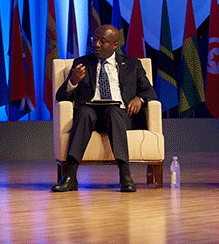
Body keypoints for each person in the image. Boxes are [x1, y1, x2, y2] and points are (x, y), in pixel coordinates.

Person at [51, 24, 157, 193]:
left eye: (103, 41)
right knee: (84, 111)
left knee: (113, 110)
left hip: (120, 115)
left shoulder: (132, 64)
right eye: (95, 39)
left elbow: (149, 90)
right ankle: (70, 177)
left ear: (115, 45)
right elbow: (61, 96)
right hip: (90, 116)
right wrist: (73, 81)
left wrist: (140, 98)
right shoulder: (82, 63)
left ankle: (125, 176)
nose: (96, 44)